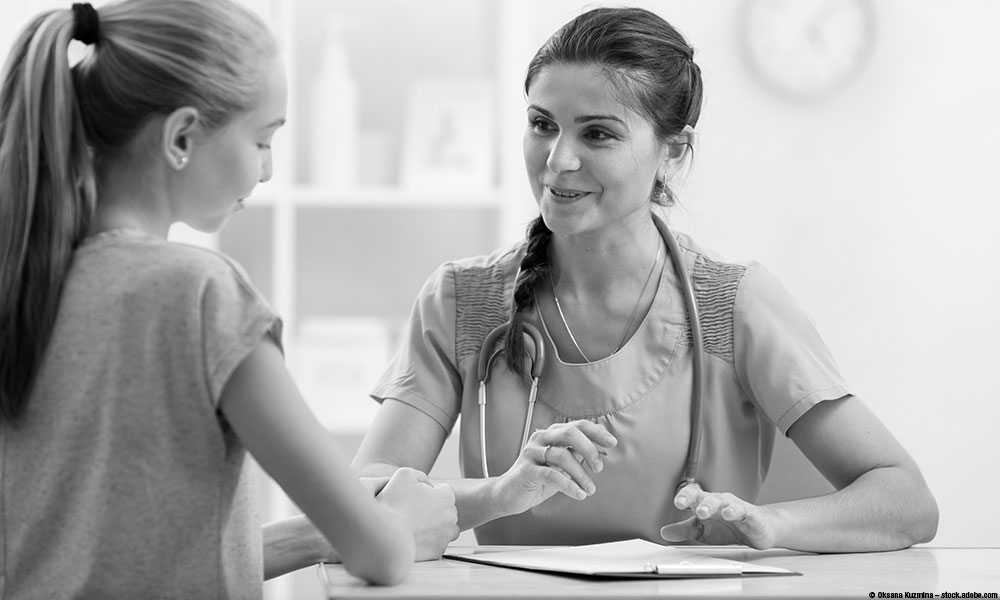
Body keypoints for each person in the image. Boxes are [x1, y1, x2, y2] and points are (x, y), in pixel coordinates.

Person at [352, 6, 938, 551]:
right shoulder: (461, 300)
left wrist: (774, 523)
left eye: (598, 133)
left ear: (673, 151)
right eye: (542, 124)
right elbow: (364, 498)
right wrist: (498, 495)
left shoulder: (733, 302)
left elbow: (906, 500)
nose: (557, 159)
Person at [0, 0, 457, 597]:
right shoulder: (199, 296)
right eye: (263, 141)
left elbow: (128, 556)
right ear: (182, 135)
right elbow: (382, 555)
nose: (267, 172)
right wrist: (402, 524)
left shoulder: (21, 283)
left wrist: (323, 535)